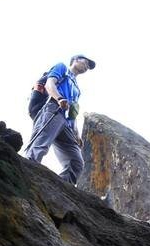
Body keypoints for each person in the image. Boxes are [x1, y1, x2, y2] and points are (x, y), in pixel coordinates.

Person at [23, 54, 96, 184]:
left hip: (66, 122)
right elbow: (49, 84)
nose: (87, 67)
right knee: (41, 144)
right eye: (85, 62)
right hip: (53, 109)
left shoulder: (77, 90)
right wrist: (59, 98)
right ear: (75, 60)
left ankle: (61, 187)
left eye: (88, 67)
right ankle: (26, 172)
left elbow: (73, 112)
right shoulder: (62, 68)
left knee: (76, 162)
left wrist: (77, 134)